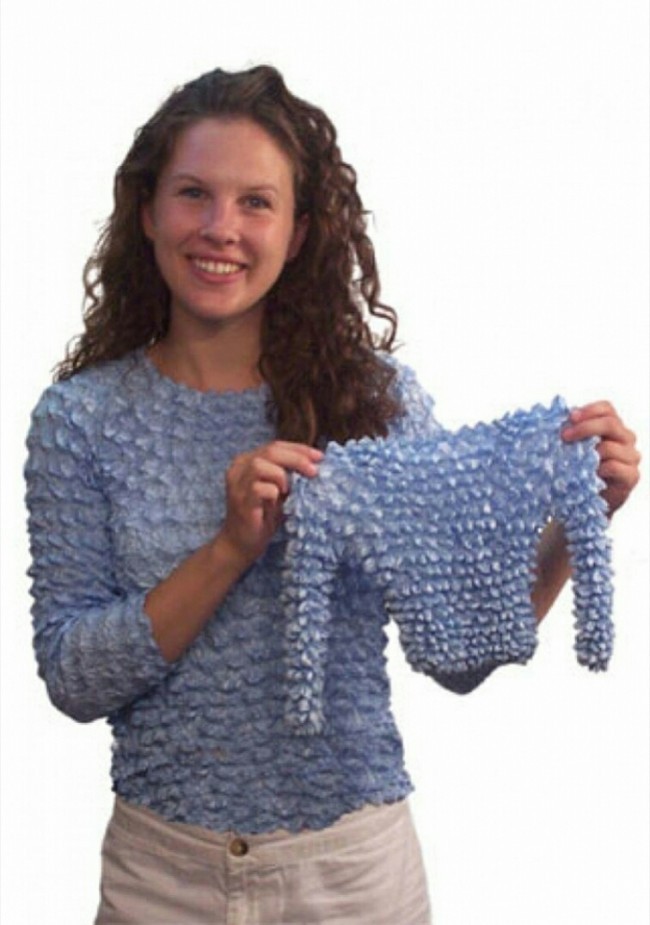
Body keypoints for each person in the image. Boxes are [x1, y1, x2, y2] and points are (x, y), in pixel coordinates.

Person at [24, 65, 641, 925]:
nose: (220, 227)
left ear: (300, 232)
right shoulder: (80, 420)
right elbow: (74, 678)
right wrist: (229, 549)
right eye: (194, 193)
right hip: (160, 878)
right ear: (147, 211)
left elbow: (460, 656)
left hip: (350, 878)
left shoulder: (374, 404)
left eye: (256, 202)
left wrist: (580, 520)